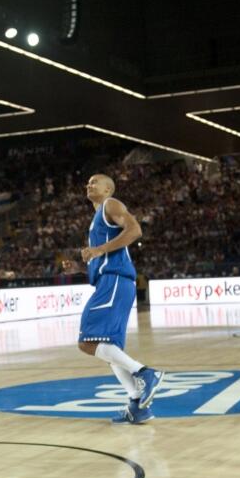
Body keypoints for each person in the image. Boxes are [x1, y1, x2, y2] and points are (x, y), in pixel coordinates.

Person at [64, 174, 164, 425]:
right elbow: (103, 258)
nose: (89, 185)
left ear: (108, 189)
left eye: (94, 182)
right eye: (87, 182)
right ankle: (137, 405)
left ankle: (145, 373)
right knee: (109, 348)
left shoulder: (111, 205)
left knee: (86, 342)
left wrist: (99, 250)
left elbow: (135, 230)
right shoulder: (97, 219)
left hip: (115, 281)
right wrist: (79, 266)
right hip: (110, 281)